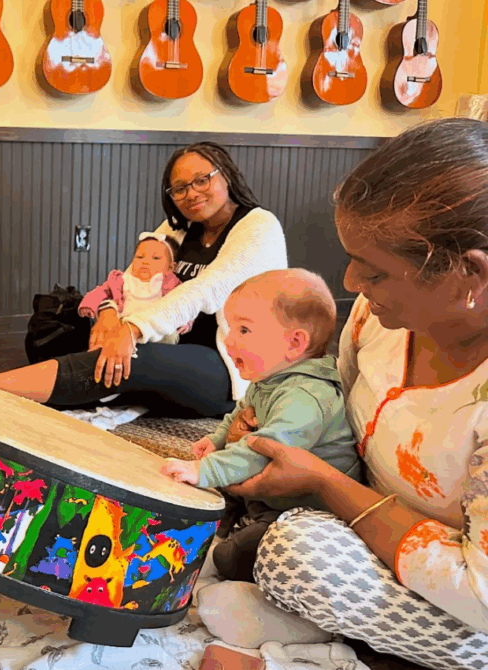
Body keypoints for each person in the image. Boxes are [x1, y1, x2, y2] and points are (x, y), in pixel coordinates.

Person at [211, 118, 488, 669]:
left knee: (295, 556)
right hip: (361, 524)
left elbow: (478, 592)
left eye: (376, 272)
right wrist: (259, 418)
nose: (351, 285)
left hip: (467, 596)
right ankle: (322, 635)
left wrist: (322, 480)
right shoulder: (378, 319)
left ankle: (328, 649)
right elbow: (315, 391)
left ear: (469, 275)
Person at [0, 142, 288, 420]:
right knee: (75, 329)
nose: (191, 193)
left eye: (202, 179)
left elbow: (207, 289)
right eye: (179, 188)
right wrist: (108, 313)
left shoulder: (260, 227)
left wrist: (132, 329)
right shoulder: (177, 229)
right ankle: (37, 392)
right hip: (169, 345)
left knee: (128, 357)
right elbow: (129, 279)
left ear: (227, 175)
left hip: (227, 364)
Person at [160, 269, 361, 582]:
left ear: (294, 343)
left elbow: (267, 450)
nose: (228, 340)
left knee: (253, 546)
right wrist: (218, 438)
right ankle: (213, 533)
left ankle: (223, 565)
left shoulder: (306, 397)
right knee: (208, 495)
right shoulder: (271, 378)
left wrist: (207, 469)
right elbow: (242, 412)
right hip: (270, 495)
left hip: (305, 511)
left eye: (244, 330)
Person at [77, 231, 193, 346]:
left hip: (157, 329)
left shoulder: (171, 283)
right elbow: (101, 291)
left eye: (156, 258)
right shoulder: (121, 280)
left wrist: (185, 320)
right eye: (140, 257)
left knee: (170, 333)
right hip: (125, 324)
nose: (145, 262)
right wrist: (89, 303)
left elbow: (184, 302)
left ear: (170, 267)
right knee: (109, 332)